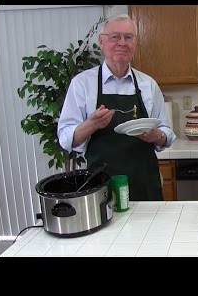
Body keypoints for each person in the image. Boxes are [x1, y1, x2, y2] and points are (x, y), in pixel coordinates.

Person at [58, 14, 176, 201]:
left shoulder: (148, 84)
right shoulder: (82, 84)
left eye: (128, 37)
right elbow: (65, 137)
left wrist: (156, 136)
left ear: (135, 43)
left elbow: (166, 133)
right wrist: (91, 125)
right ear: (101, 41)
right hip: (102, 186)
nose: (122, 43)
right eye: (115, 37)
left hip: (144, 183)